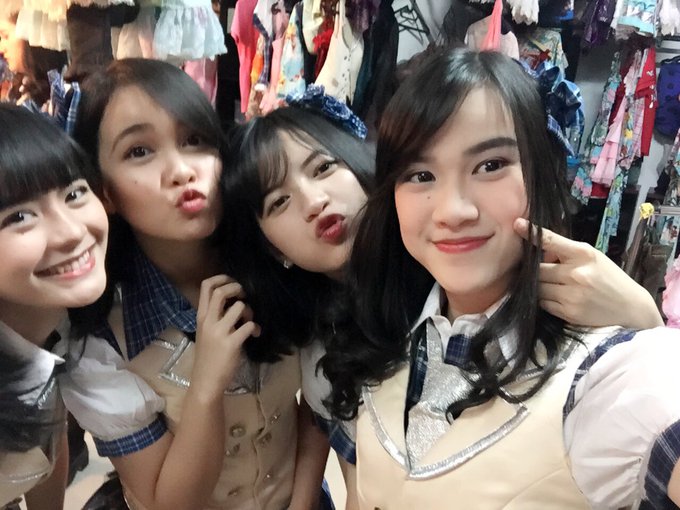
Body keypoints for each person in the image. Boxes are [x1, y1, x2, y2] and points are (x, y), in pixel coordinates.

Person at [220, 80, 666, 508]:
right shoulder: (318, 337)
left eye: (322, 168)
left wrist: (644, 318)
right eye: (278, 201)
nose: (313, 201)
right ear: (272, 249)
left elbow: (635, 403)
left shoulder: (457, 276)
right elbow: (355, 467)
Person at [327, 47, 680, 508]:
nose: (453, 210)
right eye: (420, 174)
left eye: (490, 166)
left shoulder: (599, 377)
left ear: (539, 174)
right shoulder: (380, 334)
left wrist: (648, 325)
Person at [60, 58, 328, 510]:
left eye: (195, 140)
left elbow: (320, 405)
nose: (182, 170)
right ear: (103, 191)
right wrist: (205, 386)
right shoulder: (103, 342)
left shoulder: (277, 254)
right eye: (139, 151)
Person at [0, 104, 108, 510]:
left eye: (74, 193)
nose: (72, 232)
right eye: (19, 216)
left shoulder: (56, 324)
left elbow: (51, 432)